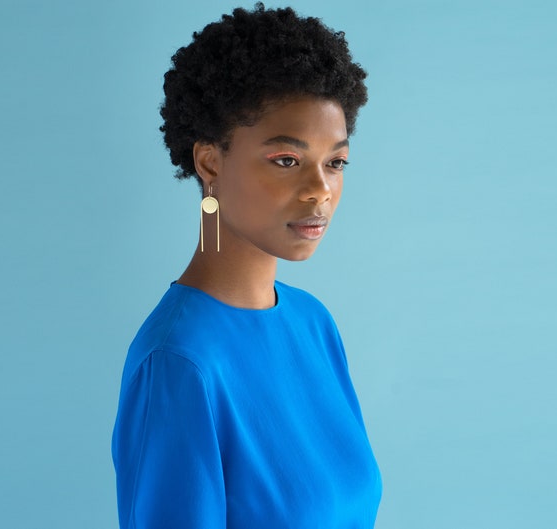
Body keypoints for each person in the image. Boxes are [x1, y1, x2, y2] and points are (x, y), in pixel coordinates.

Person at [112, 4, 381, 527]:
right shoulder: (178, 364)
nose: (320, 190)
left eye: (336, 162)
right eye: (287, 160)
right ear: (210, 162)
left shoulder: (312, 323)